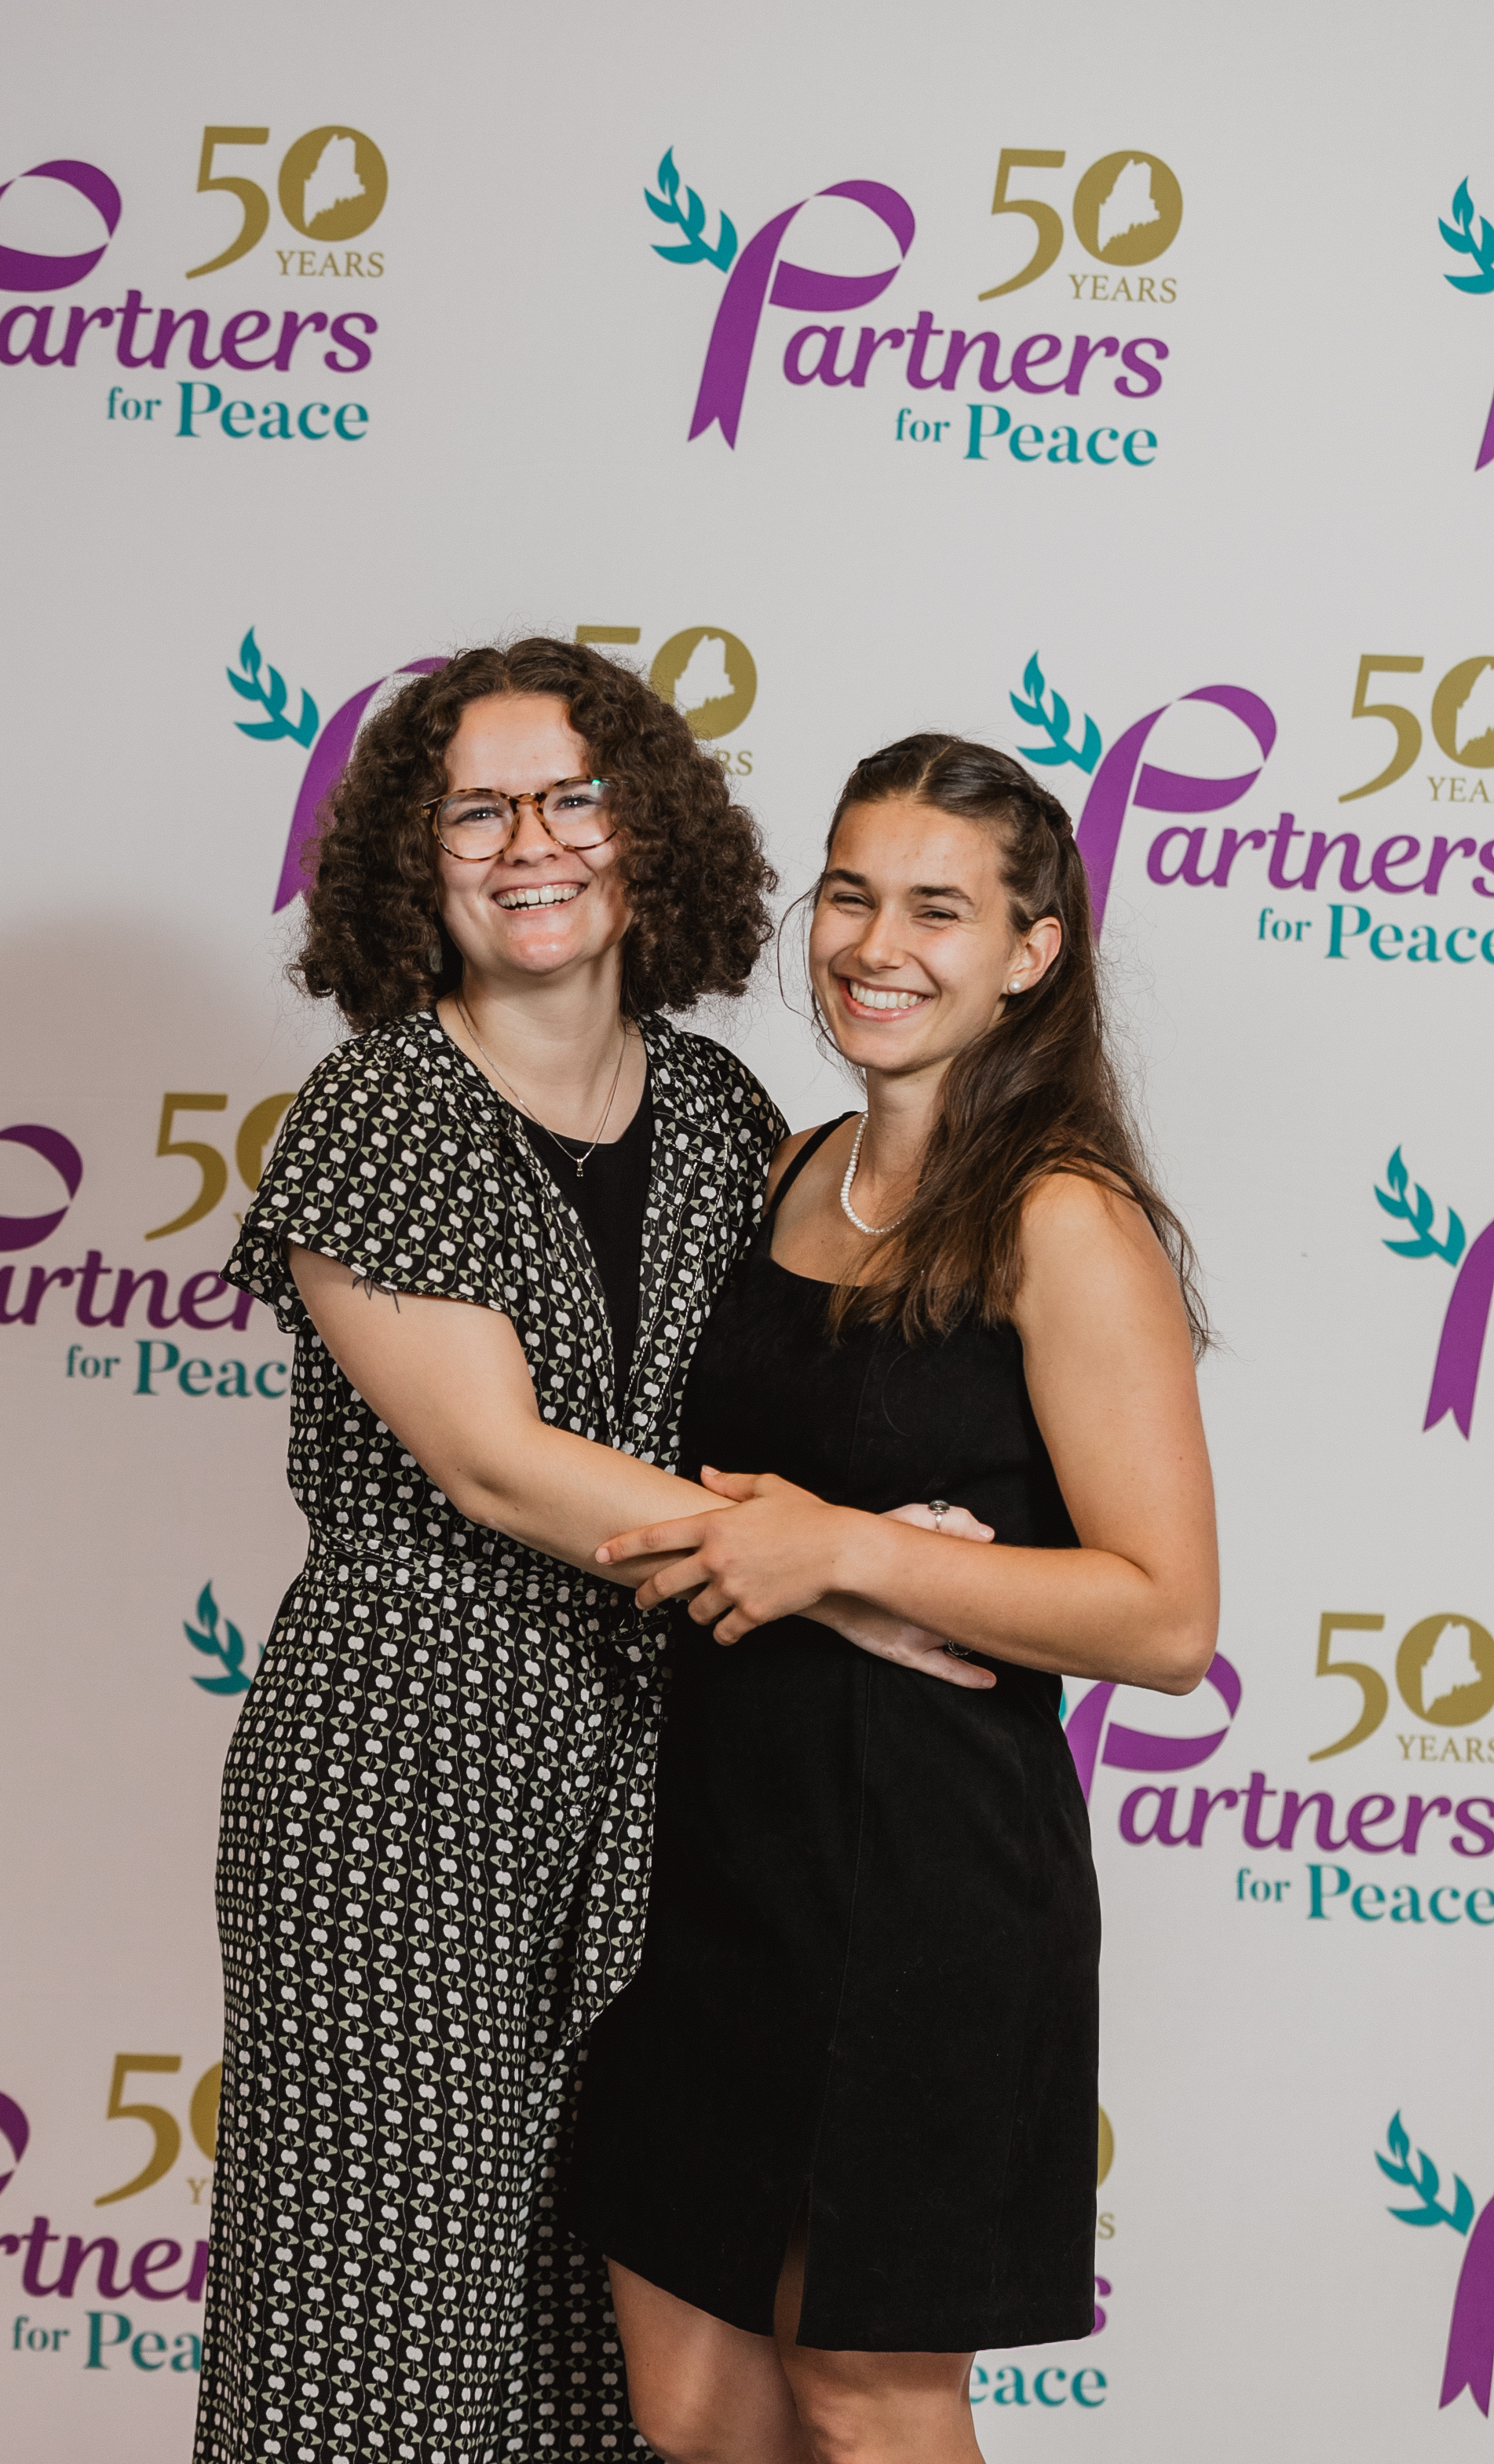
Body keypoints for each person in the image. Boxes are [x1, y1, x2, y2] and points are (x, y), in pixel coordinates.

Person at [194, 645, 982, 2464]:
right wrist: (854, 1569)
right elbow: (495, 1465)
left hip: (669, 1788)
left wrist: (912, 1534)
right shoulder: (381, 1109)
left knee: (612, 2341)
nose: (530, 844)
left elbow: (798, 1404)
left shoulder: (720, 1111)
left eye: (574, 798)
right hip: (405, 1770)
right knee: (379, 2327)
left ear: (648, 835)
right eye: (476, 810)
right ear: (415, 857)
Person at [567, 733, 1220, 2464]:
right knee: (695, 2407)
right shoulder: (788, 1169)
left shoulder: (1063, 1220)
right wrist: (810, 1557)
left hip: (928, 1884)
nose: (876, 945)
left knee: (867, 2403)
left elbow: (1166, 1620)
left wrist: (851, 1553)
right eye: (850, 895)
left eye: (939, 909)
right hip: (719, 1860)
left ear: (1030, 950)